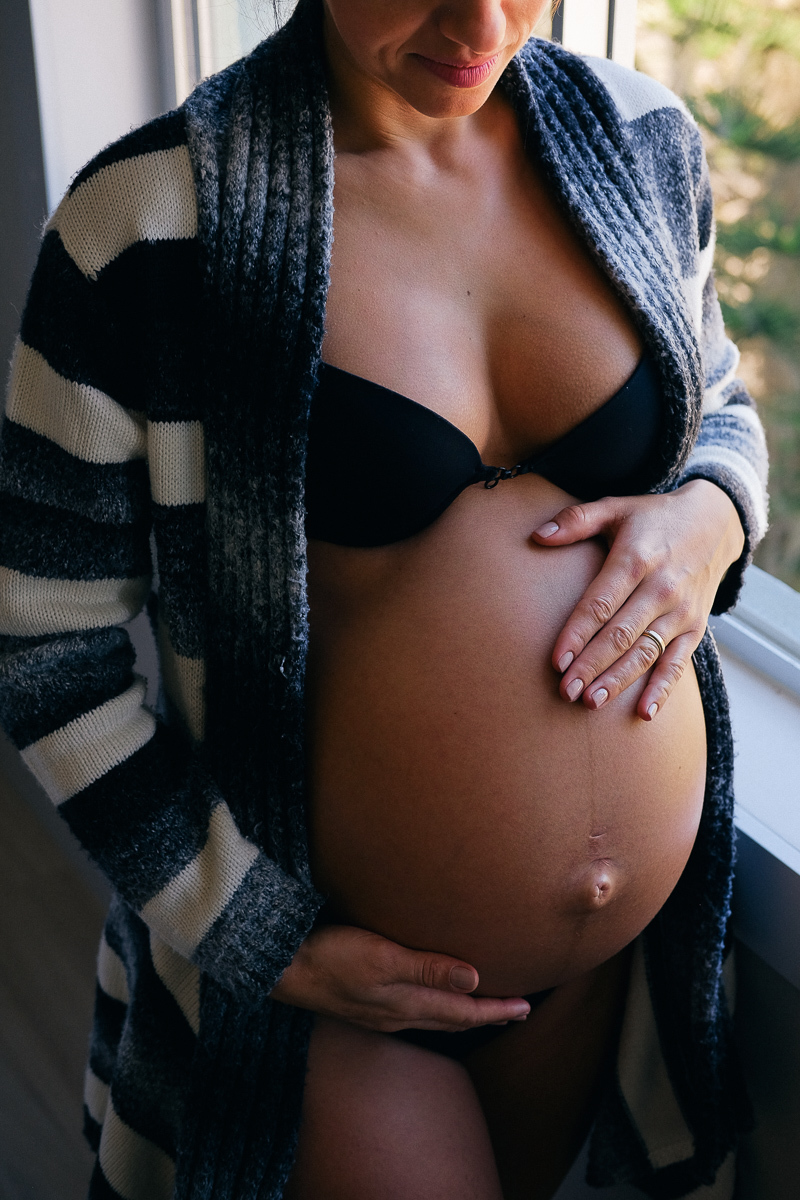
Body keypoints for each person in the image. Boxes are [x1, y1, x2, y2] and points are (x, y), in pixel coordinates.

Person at [0, 0, 767, 1198]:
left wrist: (710, 509)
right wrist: (256, 936)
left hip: (594, 979)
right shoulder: (145, 227)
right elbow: (42, 640)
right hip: (333, 983)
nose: (477, 23)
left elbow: (717, 403)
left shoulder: (639, 138)